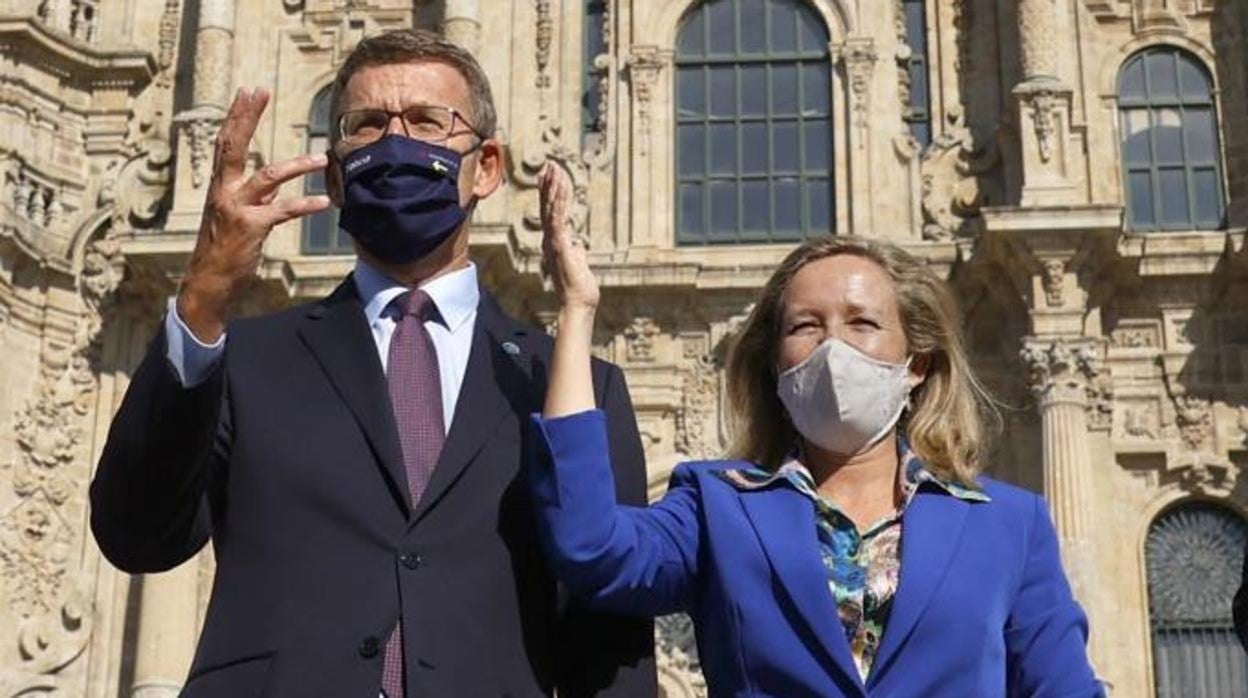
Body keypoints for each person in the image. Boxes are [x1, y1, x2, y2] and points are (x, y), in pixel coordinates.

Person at [90, 29, 656, 698]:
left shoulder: (568, 384)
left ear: (489, 166)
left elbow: (607, 640)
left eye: (425, 121)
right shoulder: (245, 360)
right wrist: (203, 299)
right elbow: (137, 534)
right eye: (366, 126)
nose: (396, 143)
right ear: (333, 175)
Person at [530, 166, 1104, 697]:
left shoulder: (1008, 525)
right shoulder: (717, 506)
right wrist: (578, 310)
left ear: (918, 363)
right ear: (775, 364)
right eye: (805, 325)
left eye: (863, 323)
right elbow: (590, 545)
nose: (833, 345)